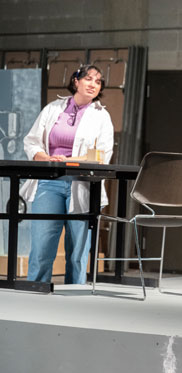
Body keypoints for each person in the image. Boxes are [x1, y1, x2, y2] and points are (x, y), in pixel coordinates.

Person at [21, 65, 114, 284]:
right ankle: (36, 289)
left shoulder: (102, 116)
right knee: (42, 247)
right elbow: (31, 141)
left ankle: (76, 294)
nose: (93, 84)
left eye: (98, 81)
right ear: (76, 81)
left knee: (78, 252)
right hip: (49, 182)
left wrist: (72, 161)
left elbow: (103, 155)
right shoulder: (53, 108)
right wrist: (45, 158)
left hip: (81, 185)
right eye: (89, 79)